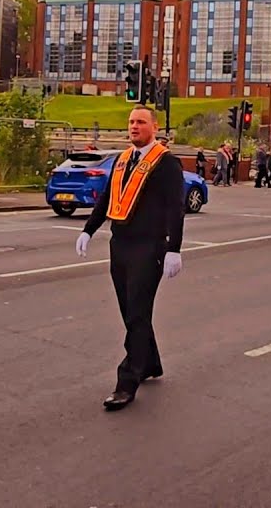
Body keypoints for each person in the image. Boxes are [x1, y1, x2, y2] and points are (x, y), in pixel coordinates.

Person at [76, 106, 186, 411]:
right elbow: (108, 199)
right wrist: (88, 230)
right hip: (120, 244)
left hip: (148, 247)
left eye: (141, 122)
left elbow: (175, 208)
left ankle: (127, 382)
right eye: (131, 122)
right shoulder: (123, 159)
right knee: (130, 311)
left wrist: (174, 248)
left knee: (137, 313)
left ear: (154, 127)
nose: (134, 126)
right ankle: (149, 362)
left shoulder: (166, 163)